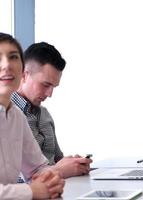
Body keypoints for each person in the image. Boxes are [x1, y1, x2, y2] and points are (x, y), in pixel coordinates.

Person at [11, 42, 92, 178]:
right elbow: (11, 181)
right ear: (23, 75)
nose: (50, 94)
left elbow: (56, 160)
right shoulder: (6, 116)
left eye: (53, 87)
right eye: (45, 84)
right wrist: (58, 170)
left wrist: (74, 164)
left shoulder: (44, 114)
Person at [0, 32, 65, 199]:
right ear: (25, 76)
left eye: (13, 57)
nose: (7, 65)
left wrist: (52, 178)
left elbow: (37, 168)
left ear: (22, 69)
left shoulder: (15, 116)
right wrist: (31, 191)